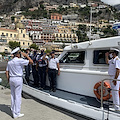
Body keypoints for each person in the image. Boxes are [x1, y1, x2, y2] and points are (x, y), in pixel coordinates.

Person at [6, 47, 33, 118]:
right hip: (18, 79)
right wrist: (26, 56)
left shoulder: (10, 62)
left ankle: (13, 110)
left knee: (12, 95)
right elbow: (31, 62)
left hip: (11, 78)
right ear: (18, 54)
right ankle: (16, 113)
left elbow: (7, 72)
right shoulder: (20, 60)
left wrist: (8, 79)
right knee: (18, 96)